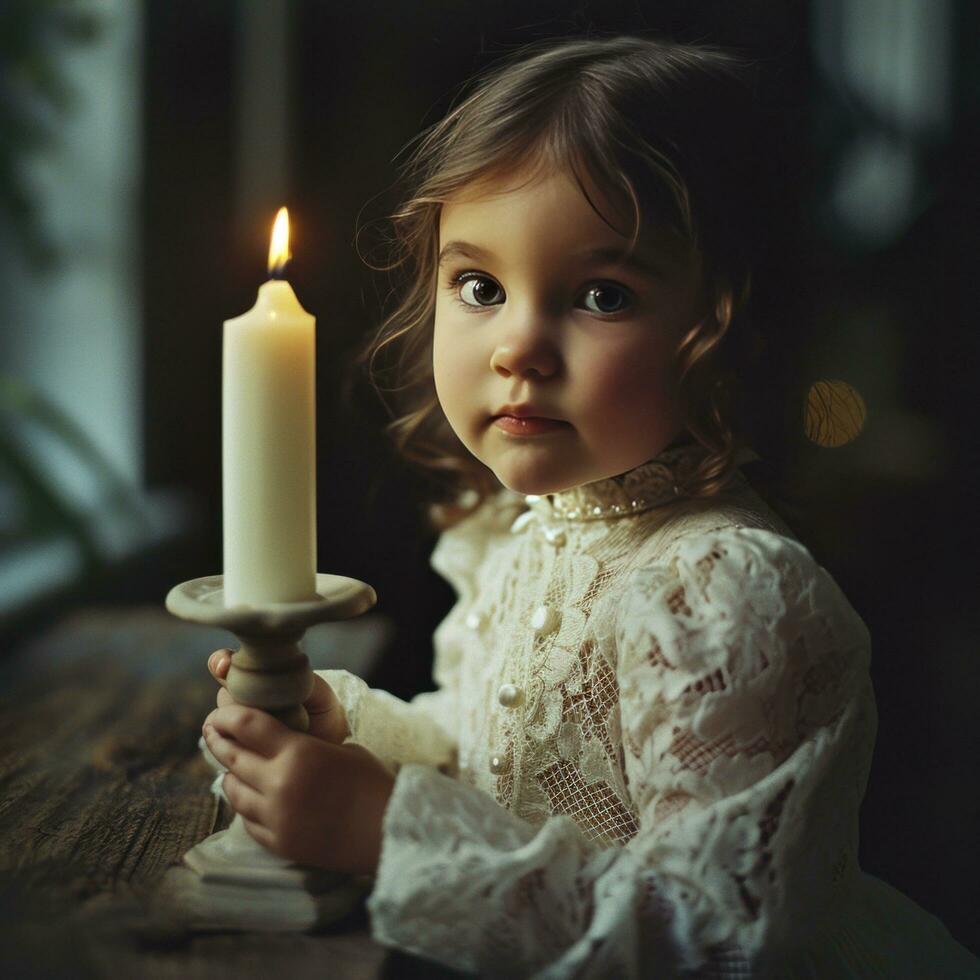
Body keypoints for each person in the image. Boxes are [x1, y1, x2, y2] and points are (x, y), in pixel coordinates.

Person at [200, 35, 980, 978]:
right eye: (479, 286)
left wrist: (382, 832)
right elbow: (494, 764)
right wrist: (352, 738)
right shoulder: (521, 534)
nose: (518, 345)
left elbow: (713, 935)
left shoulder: (726, 594)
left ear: (727, 326)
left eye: (601, 294)